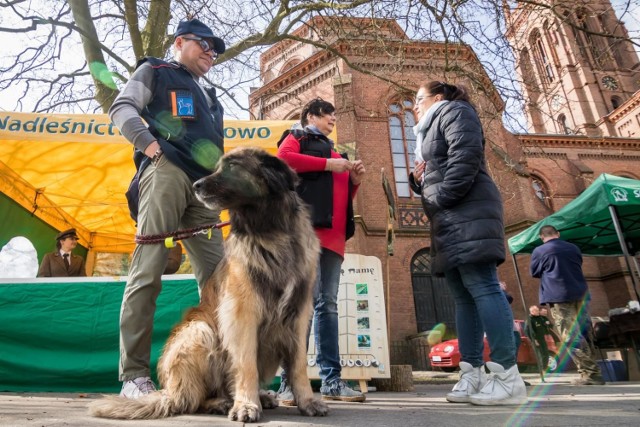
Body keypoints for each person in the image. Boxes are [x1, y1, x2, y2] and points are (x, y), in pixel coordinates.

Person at [108, 18, 226, 398]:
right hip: (167, 172)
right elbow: (122, 107)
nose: (211, 53)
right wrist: (150, 147)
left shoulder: (211, 98)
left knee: (223, 281)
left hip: (206, 189)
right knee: (148, 267)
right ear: (180, 42)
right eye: (204, 44)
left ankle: (224, 379)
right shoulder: (155, 70)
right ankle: (134, 377)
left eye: (215, 50)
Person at [409, 81, 526, 405]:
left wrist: (441, 196)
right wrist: (420, 182)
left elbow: (466, 155)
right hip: (448, 215)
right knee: (462, 295)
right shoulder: (429, 131)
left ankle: (506, 376)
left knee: (483, 285)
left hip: (466, 208)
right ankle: (471, 372)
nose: (414, 106)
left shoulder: (456, 111)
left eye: (419, 99)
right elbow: (444, 166)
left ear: (439, 97)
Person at [276, 97, 366, 403]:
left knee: (327, 305)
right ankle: (289, 383)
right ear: (312, 115)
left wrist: (353, 181)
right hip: (307, 234)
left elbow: (341, 194)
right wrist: (329, 164)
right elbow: (284, 160)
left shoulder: (336, 150)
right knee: (300, 307)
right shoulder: (297, 136)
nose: (333, 120)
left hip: (335, 238)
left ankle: (332, 381)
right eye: (329, 115)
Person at [530, 225, 604, 385]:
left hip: (558, 294)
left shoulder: (539, 251)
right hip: (580, 292)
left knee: (569, 334)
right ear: (558, 234)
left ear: (542, 237)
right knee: (585, 331)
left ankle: (590, 373)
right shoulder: (573, 248)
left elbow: (534, 272)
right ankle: (592, 371)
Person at [525, 305, 552, 370]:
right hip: (536, 340)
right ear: (532, 311)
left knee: (546, 353)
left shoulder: (540, 318)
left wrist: (548, 325)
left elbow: (547, 326)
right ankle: (542, 369)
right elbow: (527, 331)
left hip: (542, 338)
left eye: (538, 310)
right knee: (541, 354)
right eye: (536, 311)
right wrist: (534, 340)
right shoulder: (530, 319)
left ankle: (545, 367)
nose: (538, 312)